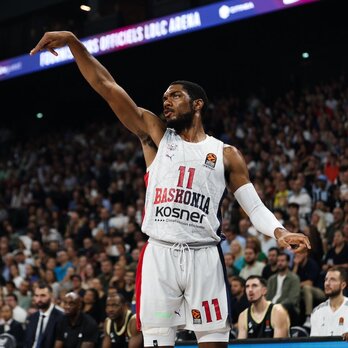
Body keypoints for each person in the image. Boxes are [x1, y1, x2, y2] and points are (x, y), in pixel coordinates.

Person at [30, 31, 310, 348]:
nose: (166, 101)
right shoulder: (156, 137)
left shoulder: (225, 154)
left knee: (214, 343)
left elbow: (255, 207)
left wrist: (280, 232)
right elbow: (107, 88)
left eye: (175, 95)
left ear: (198, 104)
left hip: (203, 257)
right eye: (164, 97)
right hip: (159, 256)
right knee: (156, 341)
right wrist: (73, 43)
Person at [310, 266, 348, 340]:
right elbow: (313, 343)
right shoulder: (317, 311)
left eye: (332, 280)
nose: (327, 283)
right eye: (326, 279)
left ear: (343, 285)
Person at [24, 282, 64, 348]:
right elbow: (27, 342)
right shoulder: (32, 317)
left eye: (43, 296)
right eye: (36, 296)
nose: (39, 299)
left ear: (51, 295)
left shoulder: (60, 317)